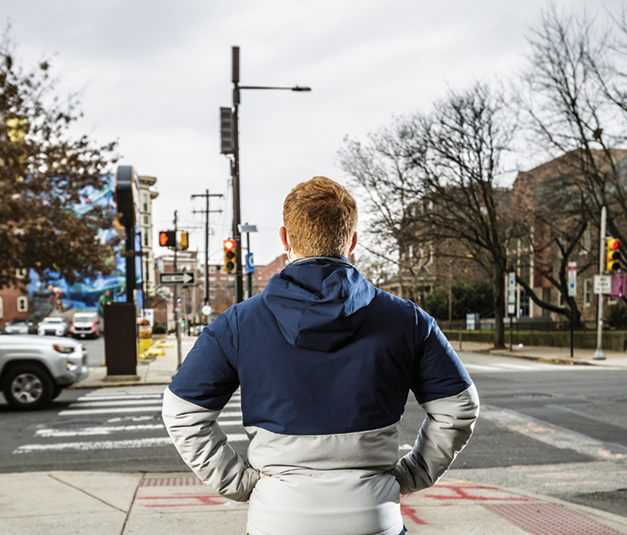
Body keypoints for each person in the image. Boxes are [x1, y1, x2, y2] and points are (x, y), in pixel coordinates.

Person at [162, 176, 479, 535]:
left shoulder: (237, 324)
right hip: (374, 516)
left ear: (285, 238)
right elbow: (459, 408)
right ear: (353, 242)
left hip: (277, 518)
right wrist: (411, 474)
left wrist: (241, 483)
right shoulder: (408, 321)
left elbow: (183, 412)